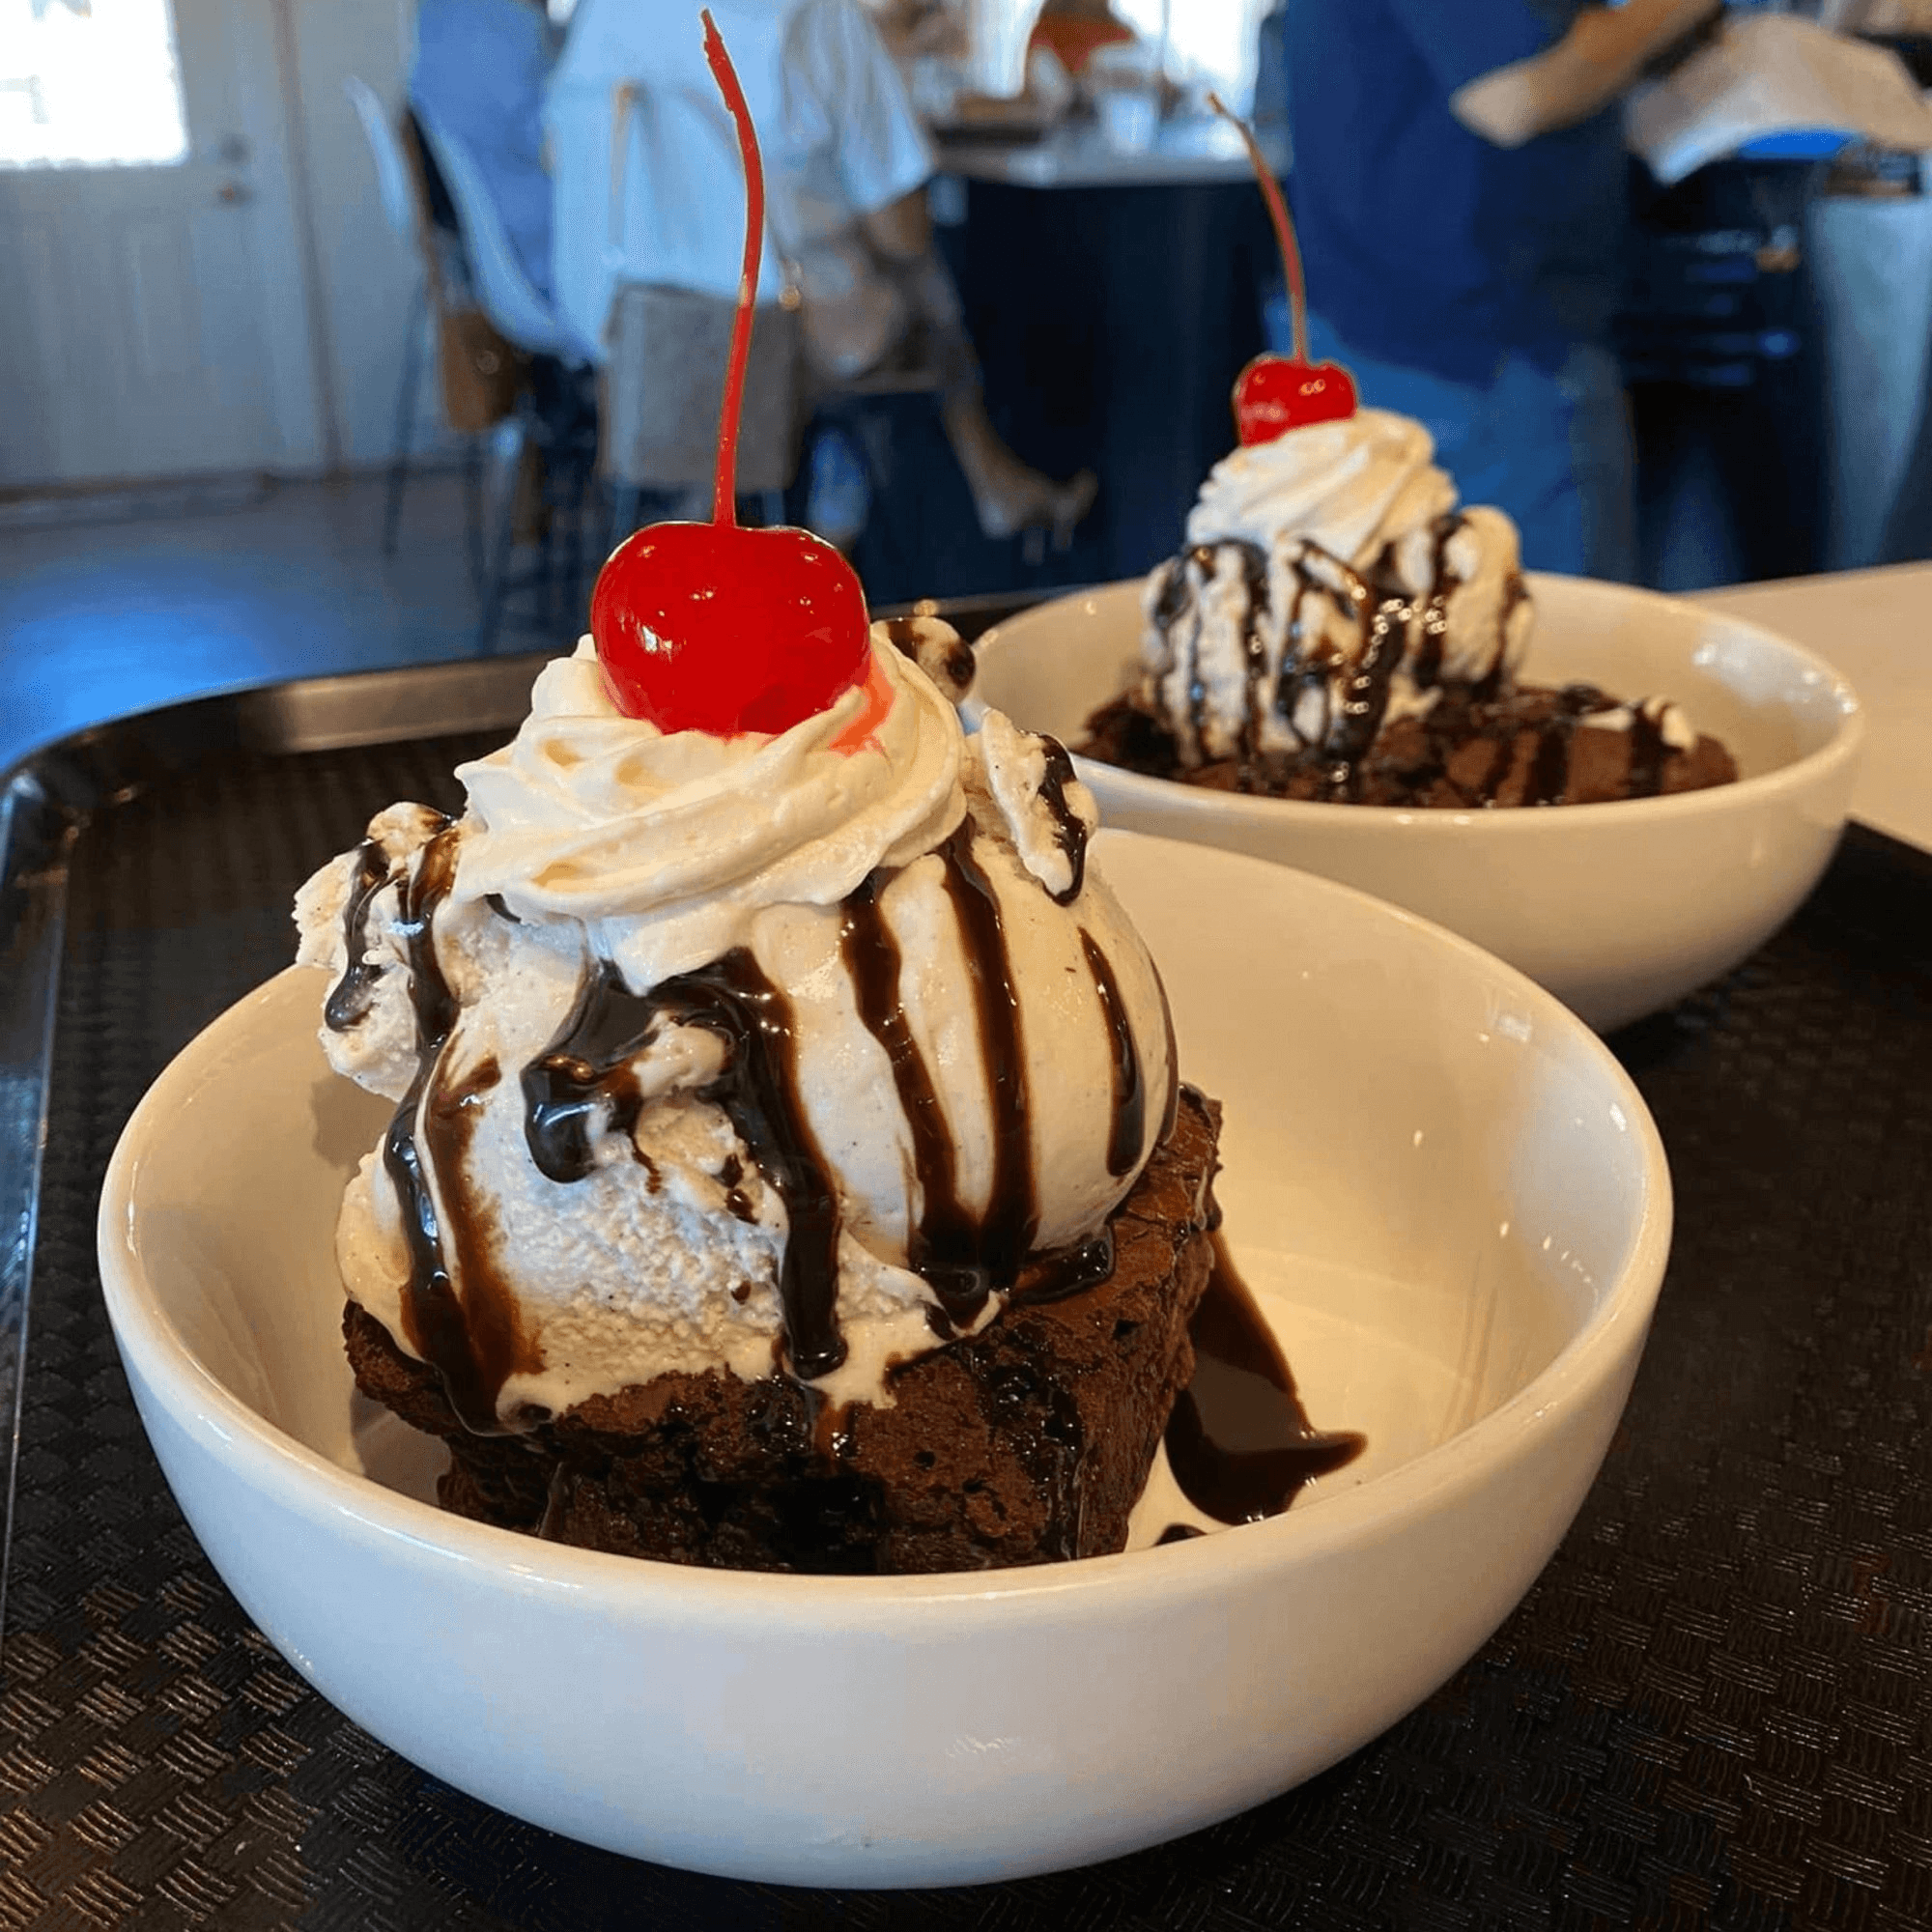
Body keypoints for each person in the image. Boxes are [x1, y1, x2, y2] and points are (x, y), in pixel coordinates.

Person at [546, 0, 1094, 544]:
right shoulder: (815, 14)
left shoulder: (602, 15)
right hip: (771, 337)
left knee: (854, 296)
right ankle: (963, 489)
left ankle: (776, 510)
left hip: (624, 332)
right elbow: (901, 229)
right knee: (914, 283)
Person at [1278, 0, 1723, 582]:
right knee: (1559, 640)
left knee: (1402, 630)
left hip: (1387, 322)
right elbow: (1513, 97)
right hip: (1481, 353)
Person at [410, 0, 559, 305]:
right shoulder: (499, 30)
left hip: (499, 263)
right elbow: (562, 151)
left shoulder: (436, 16)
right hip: (553, 267)